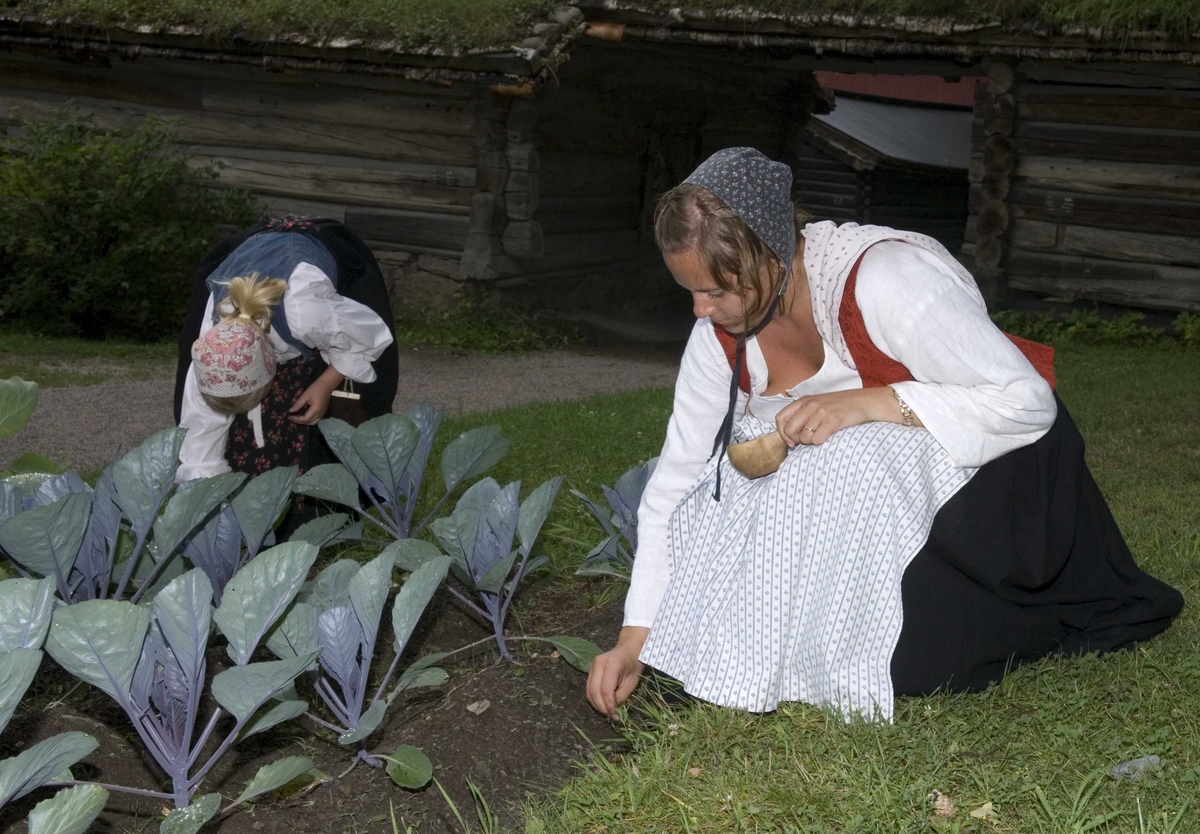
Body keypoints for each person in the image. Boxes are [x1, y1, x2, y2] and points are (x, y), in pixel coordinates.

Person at [586, 148, 1182, 721]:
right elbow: (675, 482)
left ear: (774, 255)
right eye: (688, 289)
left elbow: (1027, 403)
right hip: (885, 503)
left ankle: (979, 619)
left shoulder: (884, 280)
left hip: (1003, 492)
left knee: (854, 482)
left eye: (716, 290)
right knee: (723, 477)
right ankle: (778, 642)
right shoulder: (719, 337)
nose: (698, 310)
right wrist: (635, 638)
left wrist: (870, 402)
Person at [173, 215, 397, 481]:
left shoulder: (306, 313)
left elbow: (370, 335)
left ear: (272, 365)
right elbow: (201, 419)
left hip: (318, 252)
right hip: (253, 252)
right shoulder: (212, 338)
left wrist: (325, 384)